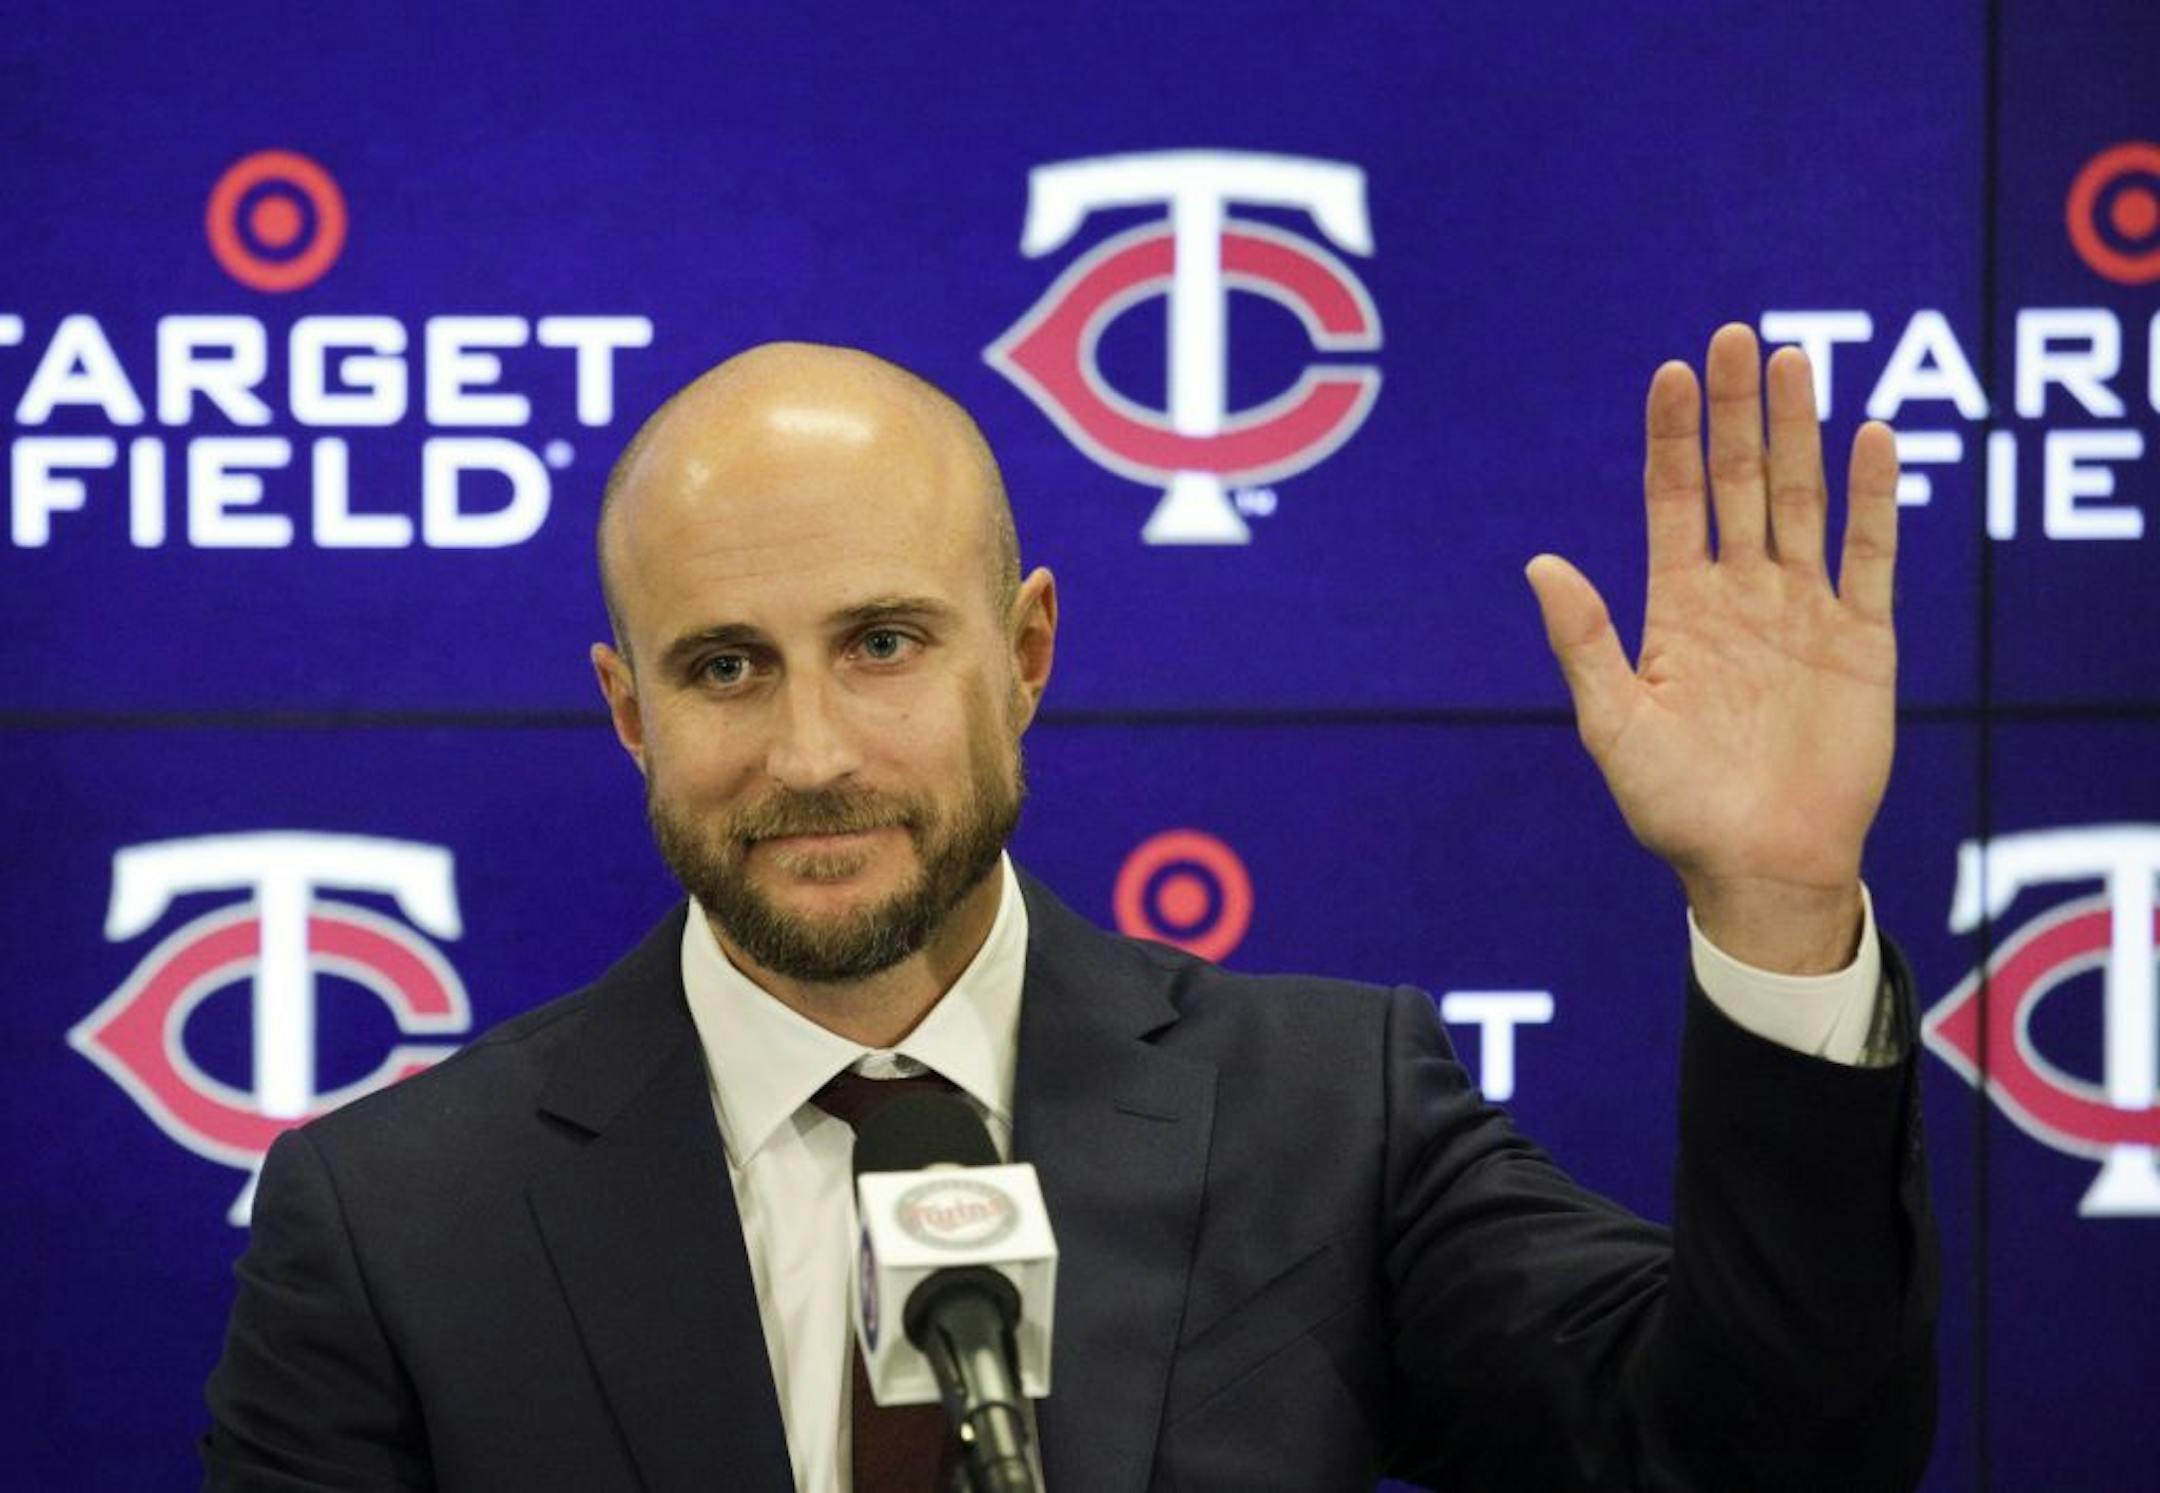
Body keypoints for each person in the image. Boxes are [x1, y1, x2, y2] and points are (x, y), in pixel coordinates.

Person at [202, 328, 1937, 1491]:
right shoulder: (394, 1221)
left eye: (884, 644)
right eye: (725, 667)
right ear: (630, 709)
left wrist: (1779, 906)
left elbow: (1764, 1454)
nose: (811, 752)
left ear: (1026, 651)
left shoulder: (1327, 1117)